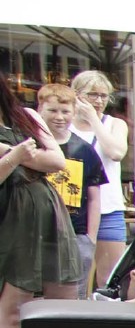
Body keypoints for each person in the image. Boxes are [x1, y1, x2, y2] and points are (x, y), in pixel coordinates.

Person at [0, 89, 76, 328]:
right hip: (10, 216)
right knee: (12, 307)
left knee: (65, 302)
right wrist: (17, 156)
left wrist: (15, 153)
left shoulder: (25, 115)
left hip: (44, 209)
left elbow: (57, 159)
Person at [33, 83, 104, 296]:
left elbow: (93, 197)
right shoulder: (30, 145)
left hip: (75, 232)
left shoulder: (84, 149)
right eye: (52, 110)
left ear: (74, 113)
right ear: (39, 110)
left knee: (76, 291)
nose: (59, 117)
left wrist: (90, 238)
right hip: (37, 231)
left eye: (65, 112)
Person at [68, 70, 127, 293]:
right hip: (75, 209)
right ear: (77, 95)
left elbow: (116, 152)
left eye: (104, 95)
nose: (99, 100)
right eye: (93, 94)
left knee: (110, 279)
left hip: (109, 208)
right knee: (77, 278)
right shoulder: (66, 123)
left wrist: (94, 119)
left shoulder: (114, 124)